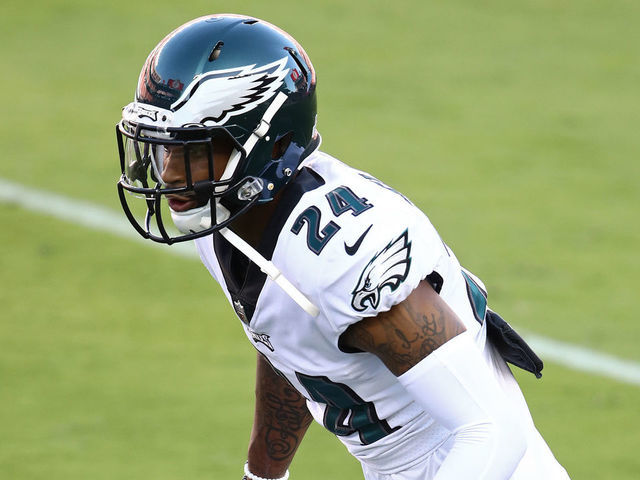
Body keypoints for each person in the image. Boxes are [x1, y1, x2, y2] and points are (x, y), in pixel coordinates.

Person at [115, 14, 570, 480]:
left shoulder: (342, 257)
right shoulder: (229, 219)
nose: (169, 173)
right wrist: (264, 473)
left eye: (193, 148)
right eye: (165, 147)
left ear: (266, 143)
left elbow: (494, 427)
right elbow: (289, 340)